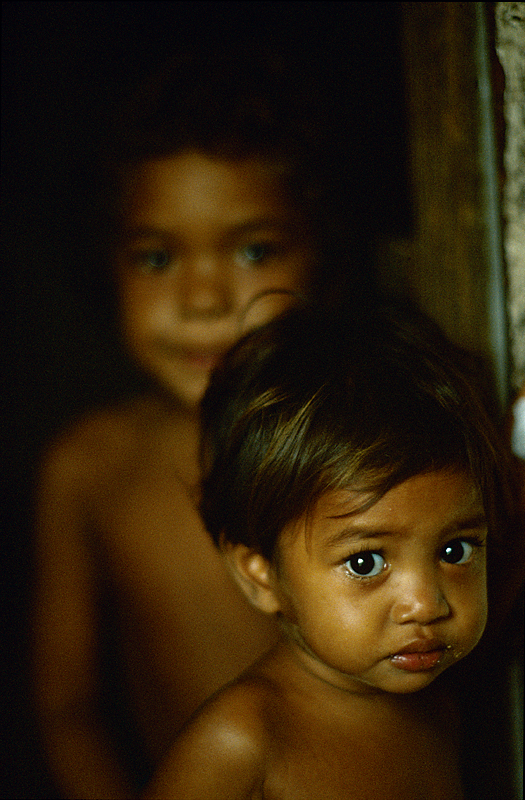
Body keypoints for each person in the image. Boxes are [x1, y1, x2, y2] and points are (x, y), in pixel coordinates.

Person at [31, 47, 373, 798]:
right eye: (156, 258)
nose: (203, 299)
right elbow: (67, 708)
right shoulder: (90, 465)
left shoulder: (369, 443)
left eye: (253, 249)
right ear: (107, 264)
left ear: (324, 257)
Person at [143, 302, 524, 800]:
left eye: (454, 550)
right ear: (261, 576)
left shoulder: (434, 703)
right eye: (366, 562)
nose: (427, 604)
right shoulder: (244, 741)